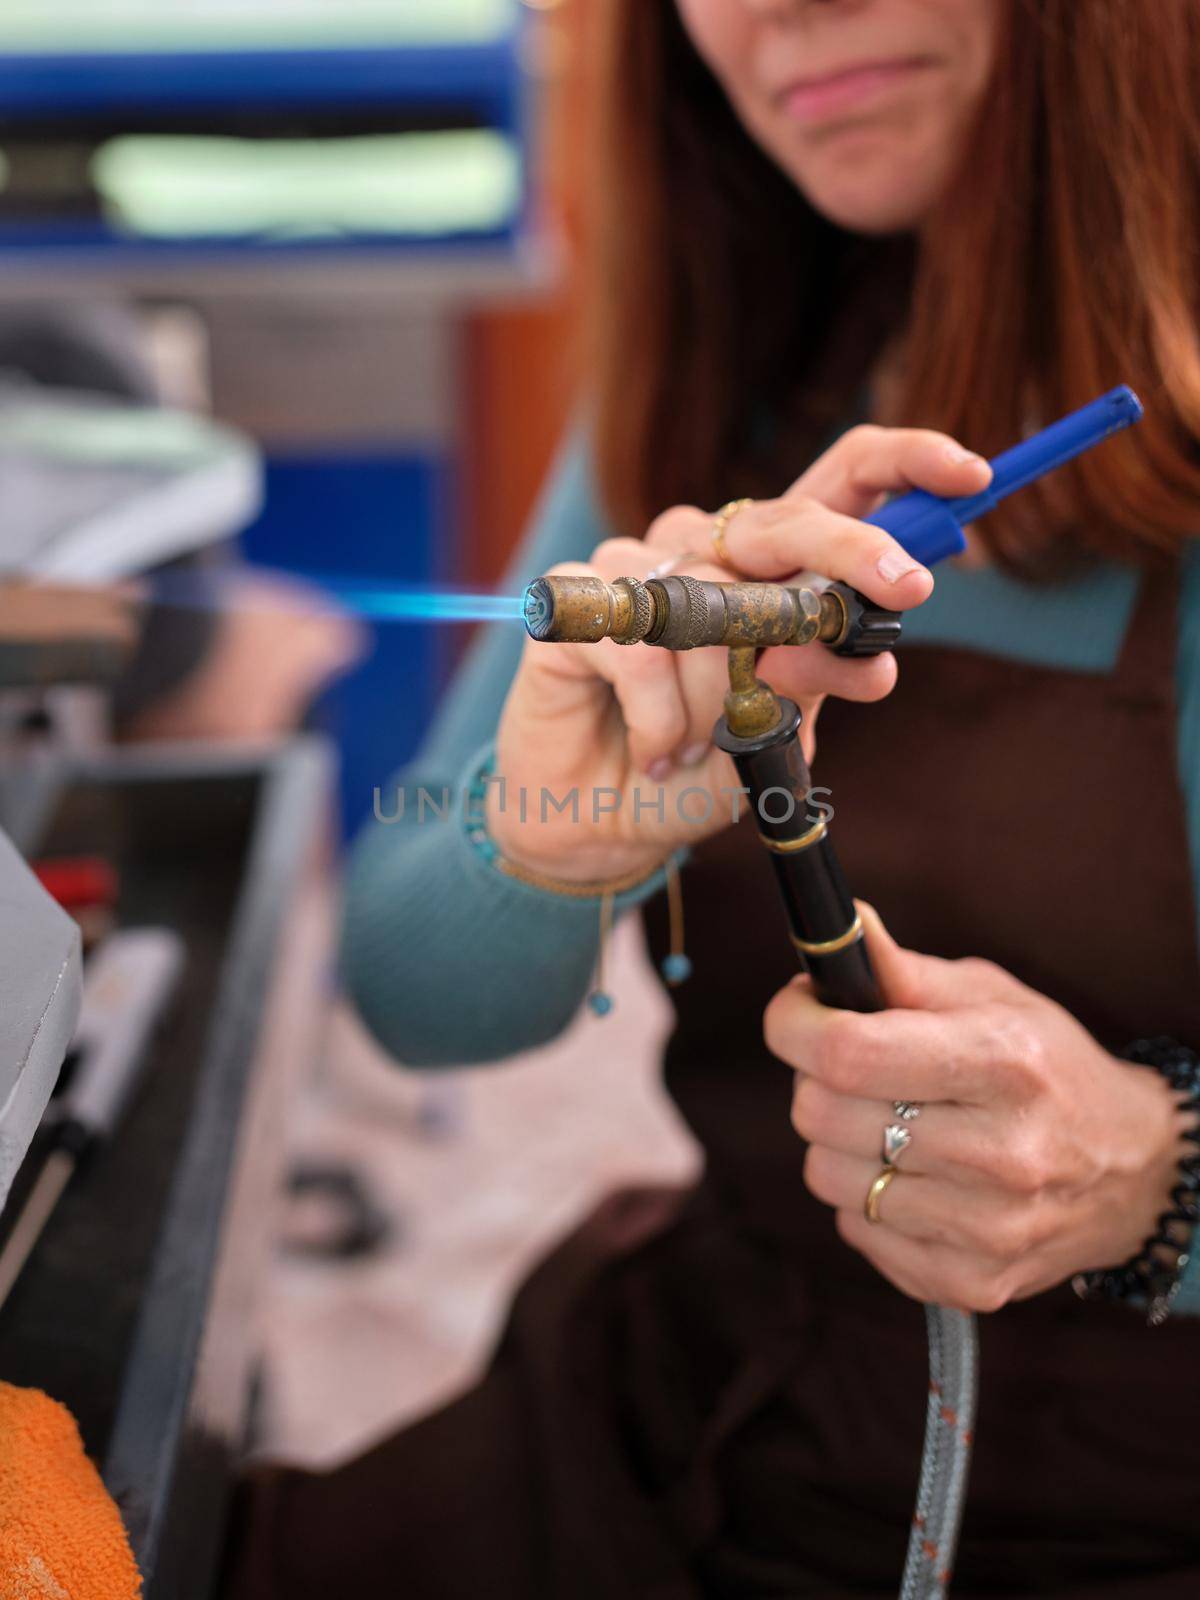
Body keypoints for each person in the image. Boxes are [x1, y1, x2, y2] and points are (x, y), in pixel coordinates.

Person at [227, 2, 1200, 1595]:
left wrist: (1162, 1175)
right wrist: (537, 847)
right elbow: (410, 995)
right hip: (711, 1405)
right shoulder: (730, 359)